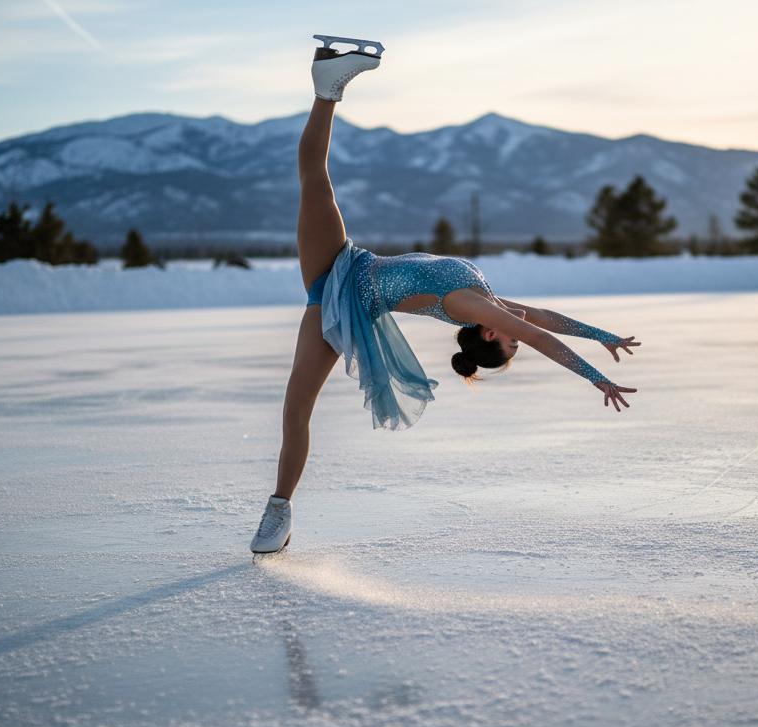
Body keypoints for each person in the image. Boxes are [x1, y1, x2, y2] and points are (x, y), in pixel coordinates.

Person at [250, 36, 640, 553]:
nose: (520, 337)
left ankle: (279, 510)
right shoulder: (491, 303)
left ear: (488, 334)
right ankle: (328, 85)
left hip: (335, 299)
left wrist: (598, 379)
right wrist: (602, 338)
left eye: (510, 345)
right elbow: (547, 321)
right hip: (352, 259)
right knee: (315, 180)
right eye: (515, 344)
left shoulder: (473, 306)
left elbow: (541, 336)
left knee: (296, 408)